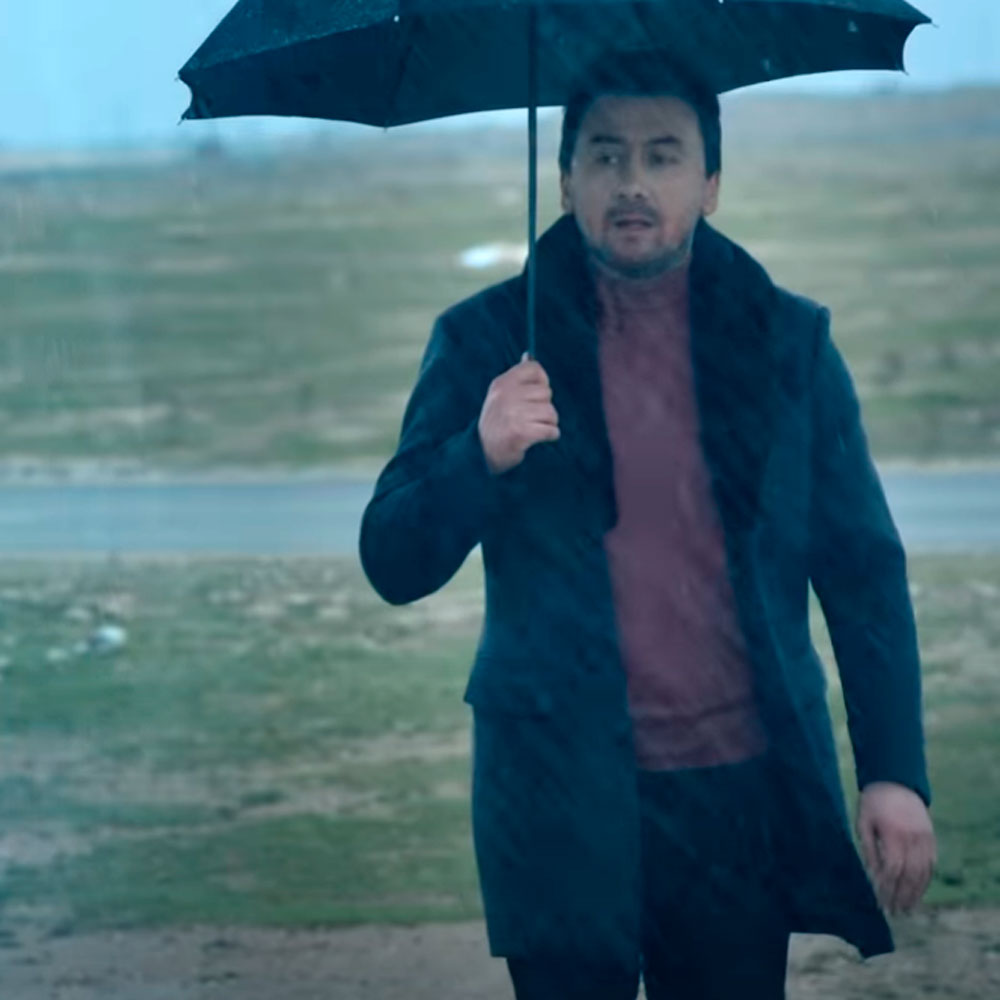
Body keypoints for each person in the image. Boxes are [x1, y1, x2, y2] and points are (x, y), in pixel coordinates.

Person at [358, 52, 937, 1000]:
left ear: (710, 184)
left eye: (663, 156)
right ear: (565, 180)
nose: (632, 182)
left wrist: (894, 773)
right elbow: (392, 558)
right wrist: (479, 453)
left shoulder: (788, 343)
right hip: (554, 793)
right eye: (605, 155)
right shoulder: (485, 340)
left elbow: (862, 570)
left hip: (735, 792)